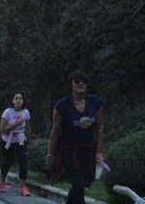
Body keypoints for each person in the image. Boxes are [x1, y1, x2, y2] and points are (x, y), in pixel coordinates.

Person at [47, 70, 105, 204]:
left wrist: (99, 152)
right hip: (68, 150)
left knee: (81, 184)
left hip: (87, 150)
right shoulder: (62, 105)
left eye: (83, 81)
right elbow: (55, 130)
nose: (80, 83)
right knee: (78, 184)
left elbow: (100, 127)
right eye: (77, 81)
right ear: (70, 84)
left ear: (88, 84)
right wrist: (50, 155)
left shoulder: (95, 102)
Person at [0, 92, 31, 196]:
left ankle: (23, 188)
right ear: (12, 101)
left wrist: (29, 141)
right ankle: (3, 182)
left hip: (21, 138)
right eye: (16, 98)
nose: (18, 100)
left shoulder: (25, 112)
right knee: (7, 162)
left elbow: (28, 128)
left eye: (20, 98)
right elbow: (2, 129)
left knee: (23, 163)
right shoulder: (8, 112)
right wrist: (16, 123)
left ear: (23, 101)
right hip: (7, 139)